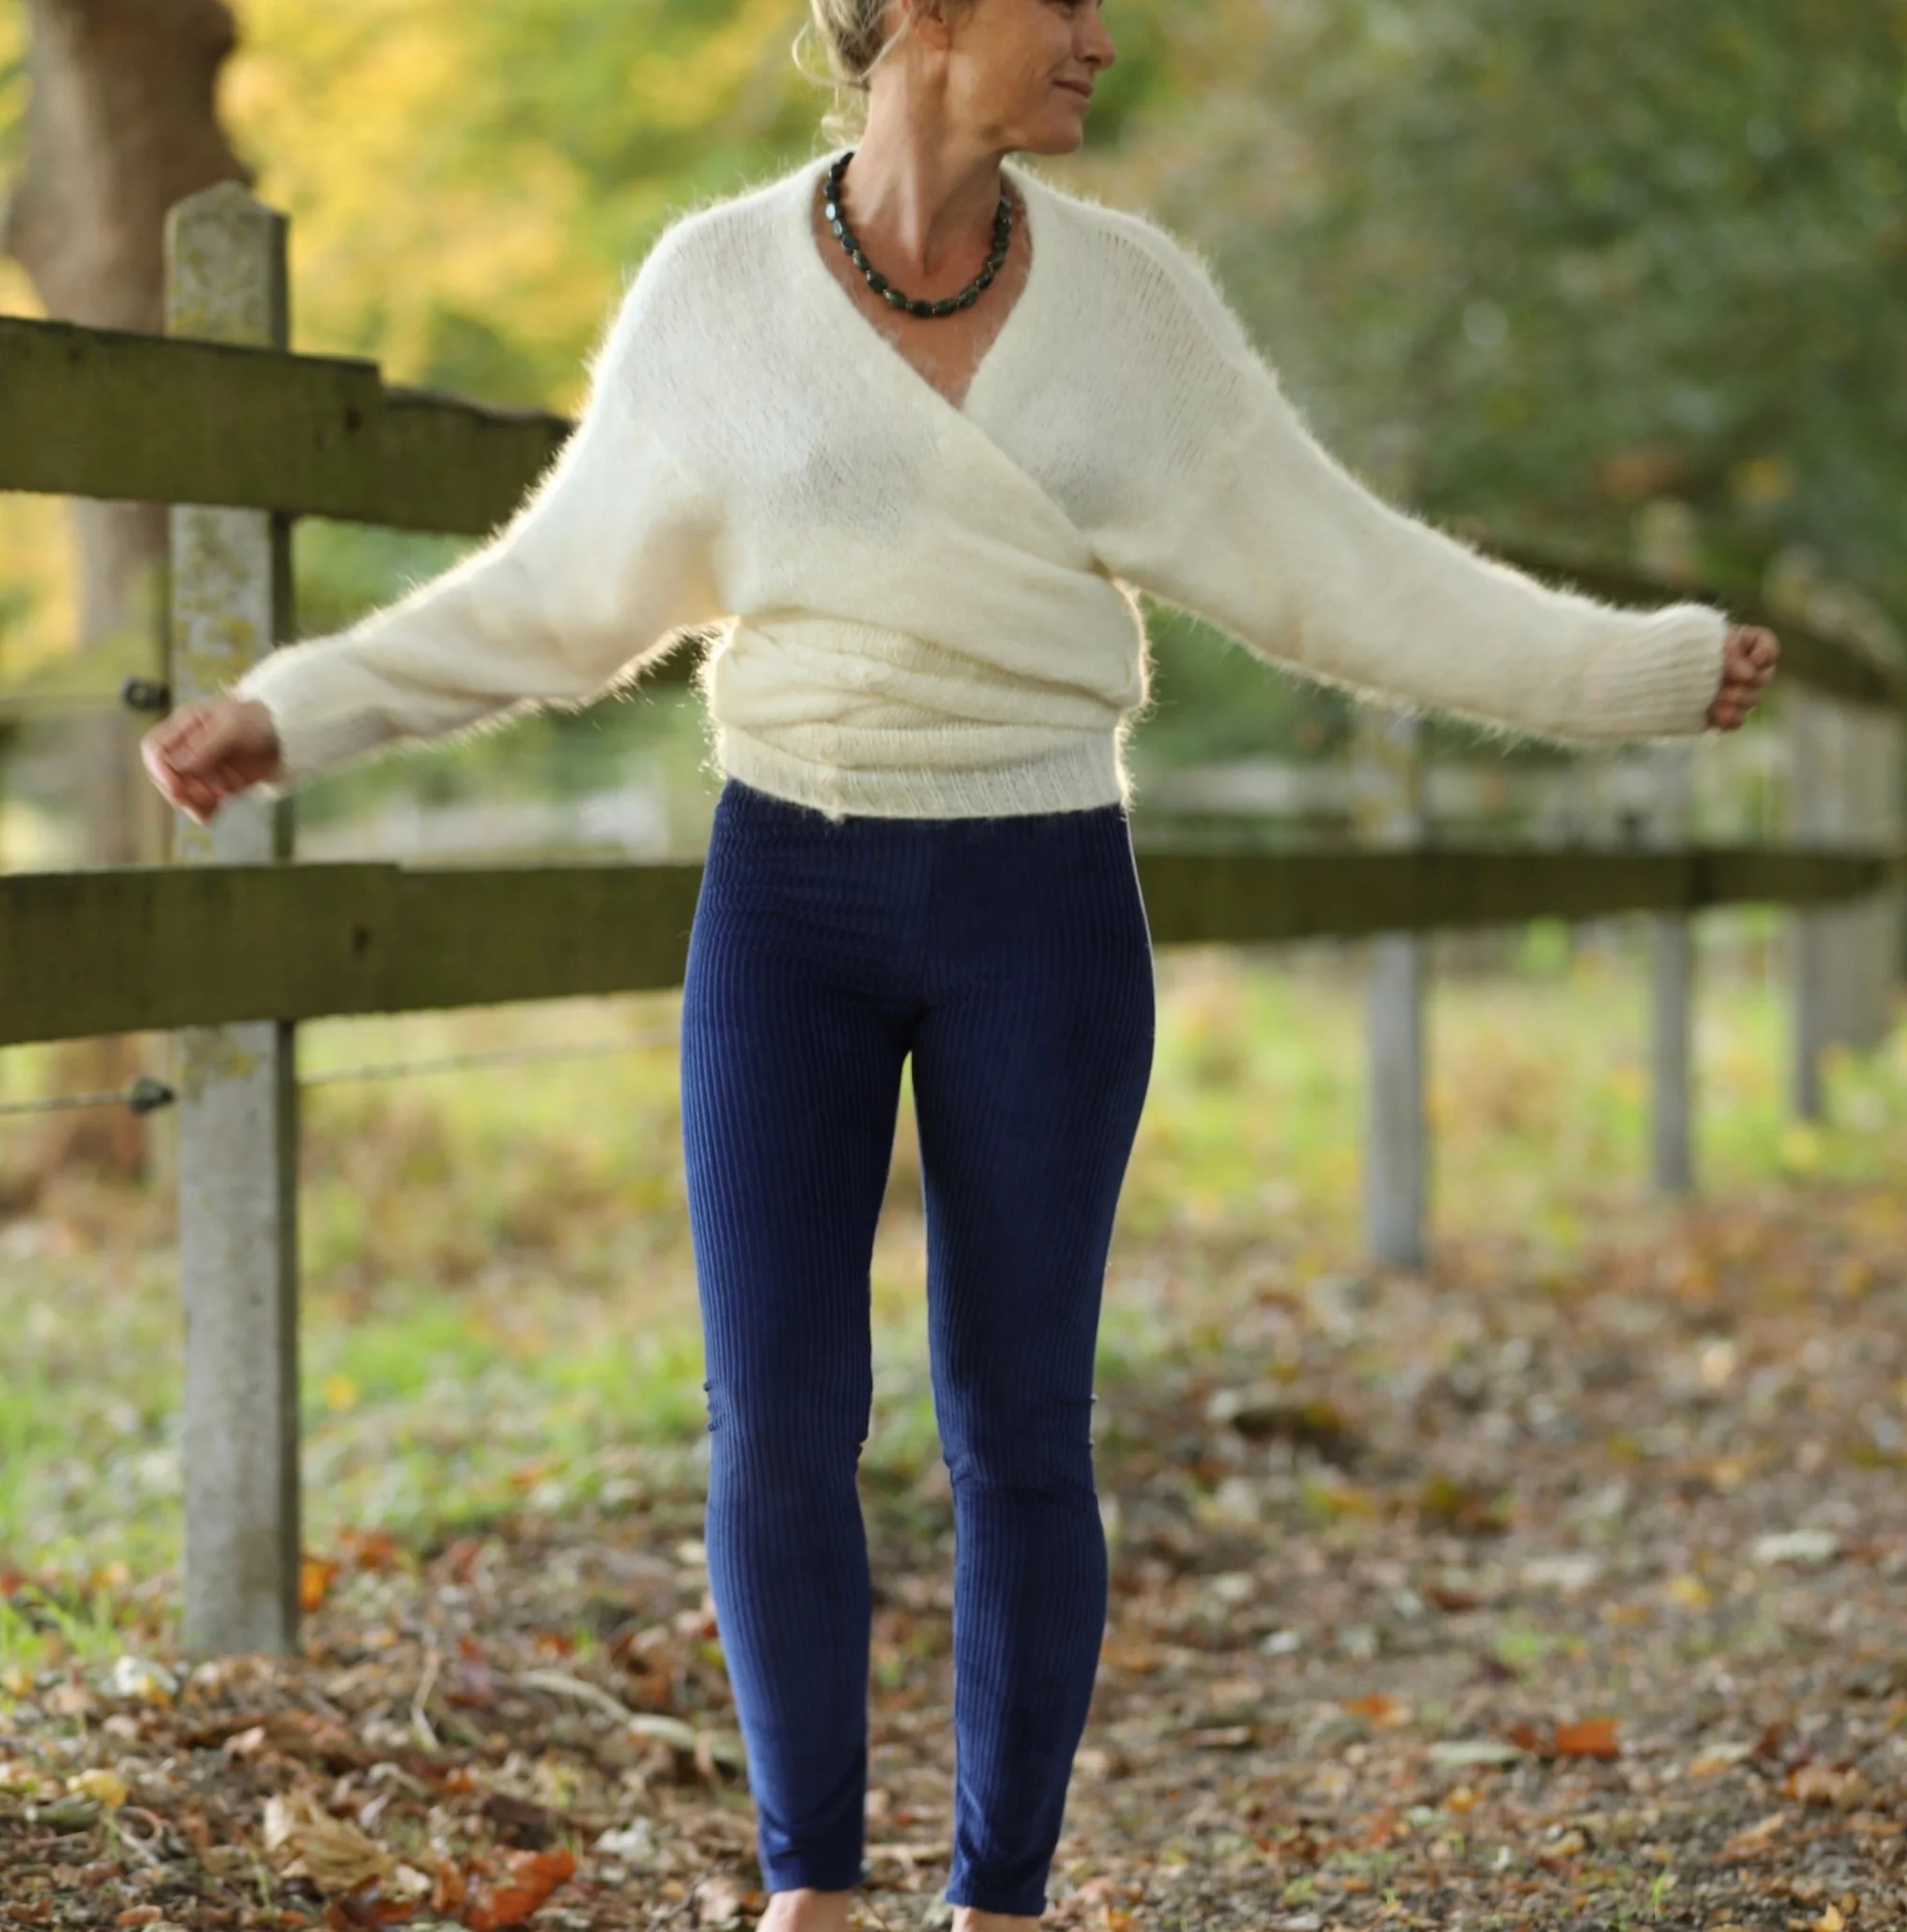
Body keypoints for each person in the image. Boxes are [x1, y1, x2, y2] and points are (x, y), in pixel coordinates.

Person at [141, 1, 1780, 1924]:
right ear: (923, 14)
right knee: (776, 1421)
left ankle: (999, 1894)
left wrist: (1629, 671)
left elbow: (1345, 572)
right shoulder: (715, 293)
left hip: (1042, 909)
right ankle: (808, 1888)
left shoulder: (1130, 307)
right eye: (1060, 0)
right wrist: (300, 704)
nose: (1102, 35)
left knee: (1022, 1427)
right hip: (791, 904)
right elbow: (556, 598)